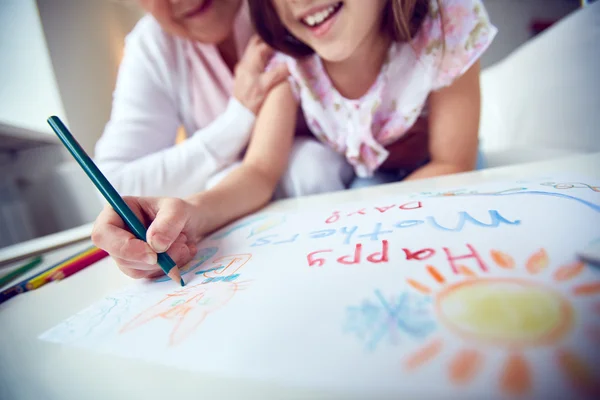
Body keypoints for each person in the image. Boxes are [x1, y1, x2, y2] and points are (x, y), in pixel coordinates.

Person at [92, 0, 496, 279]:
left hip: (440, 175)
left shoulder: (448, 21)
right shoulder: (287, 59)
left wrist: (371, 223)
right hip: (373, 185)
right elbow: (258, 172)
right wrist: (191, 212)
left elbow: (452, 162)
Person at [94, 0, 351, 198]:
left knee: (311, 164)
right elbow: (113, 185)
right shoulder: (153, 47)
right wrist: (238, 118)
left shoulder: (294, 10)